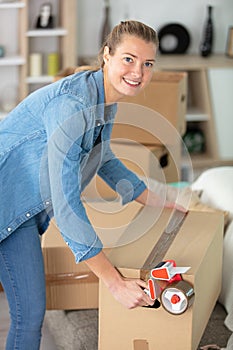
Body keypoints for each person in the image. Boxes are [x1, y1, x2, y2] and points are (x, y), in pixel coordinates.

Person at [0, 20, 186, 349]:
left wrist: (157, 200)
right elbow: (67, 200)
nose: (138, 72)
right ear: (107, 55)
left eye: (147, 64)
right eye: (129, 59)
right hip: (8, 208)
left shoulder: (102, 99)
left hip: (23, 212)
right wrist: (113, 282)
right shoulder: (71, 106)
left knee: (28, 315)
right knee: (28, 318)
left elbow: (104, 158)